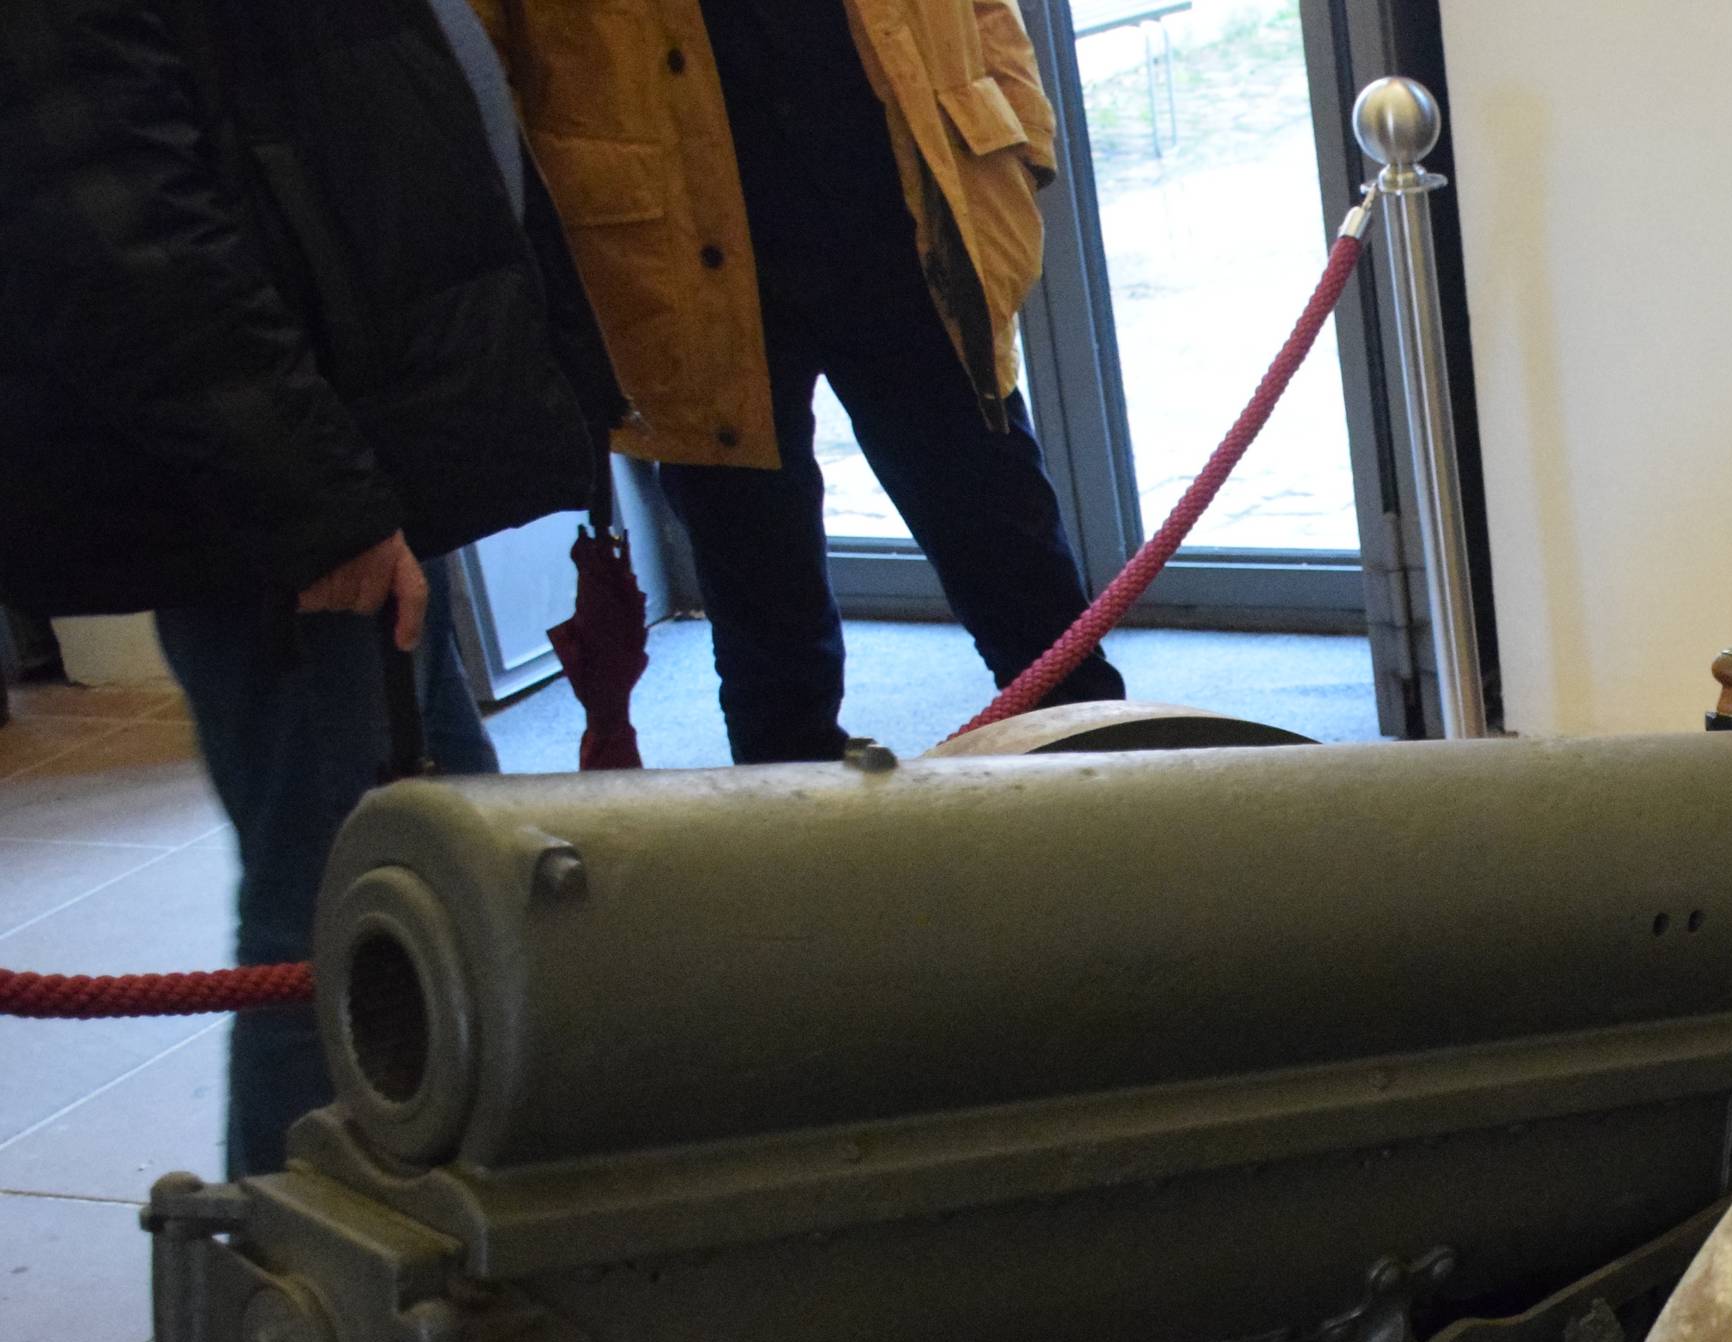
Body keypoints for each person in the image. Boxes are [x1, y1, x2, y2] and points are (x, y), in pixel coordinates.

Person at [0, 0, 612, 1178]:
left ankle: (484, 1217)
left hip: (354, 445)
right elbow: (126, 237)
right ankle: (280, 1274)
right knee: (338, 912)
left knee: (457, 867)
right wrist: (314, 500)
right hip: (287, 493)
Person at [476, 0, 1125, 764]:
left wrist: (1020, 136)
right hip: (674, 257)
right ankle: (793, 825)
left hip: (905, 214)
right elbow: (483, 60)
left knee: (1016, 563)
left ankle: (1113, 793)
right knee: (766, 630)